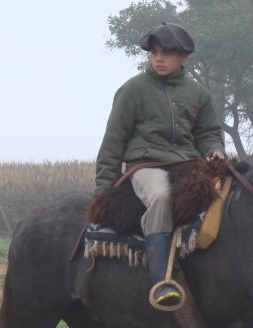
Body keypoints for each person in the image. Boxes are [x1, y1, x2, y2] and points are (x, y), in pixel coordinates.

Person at [95, 22, 225, 307]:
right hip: (146, 165)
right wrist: (104, 192)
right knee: (161, 198)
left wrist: (214, 151)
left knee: (226, 194)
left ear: (184, 57)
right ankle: (160, 281)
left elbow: (208, 133)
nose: (158, 58)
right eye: (154, 52)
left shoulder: (198, 93)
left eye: (166, 53)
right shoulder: (132, 91)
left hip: (188, 163)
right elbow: (113, 142)